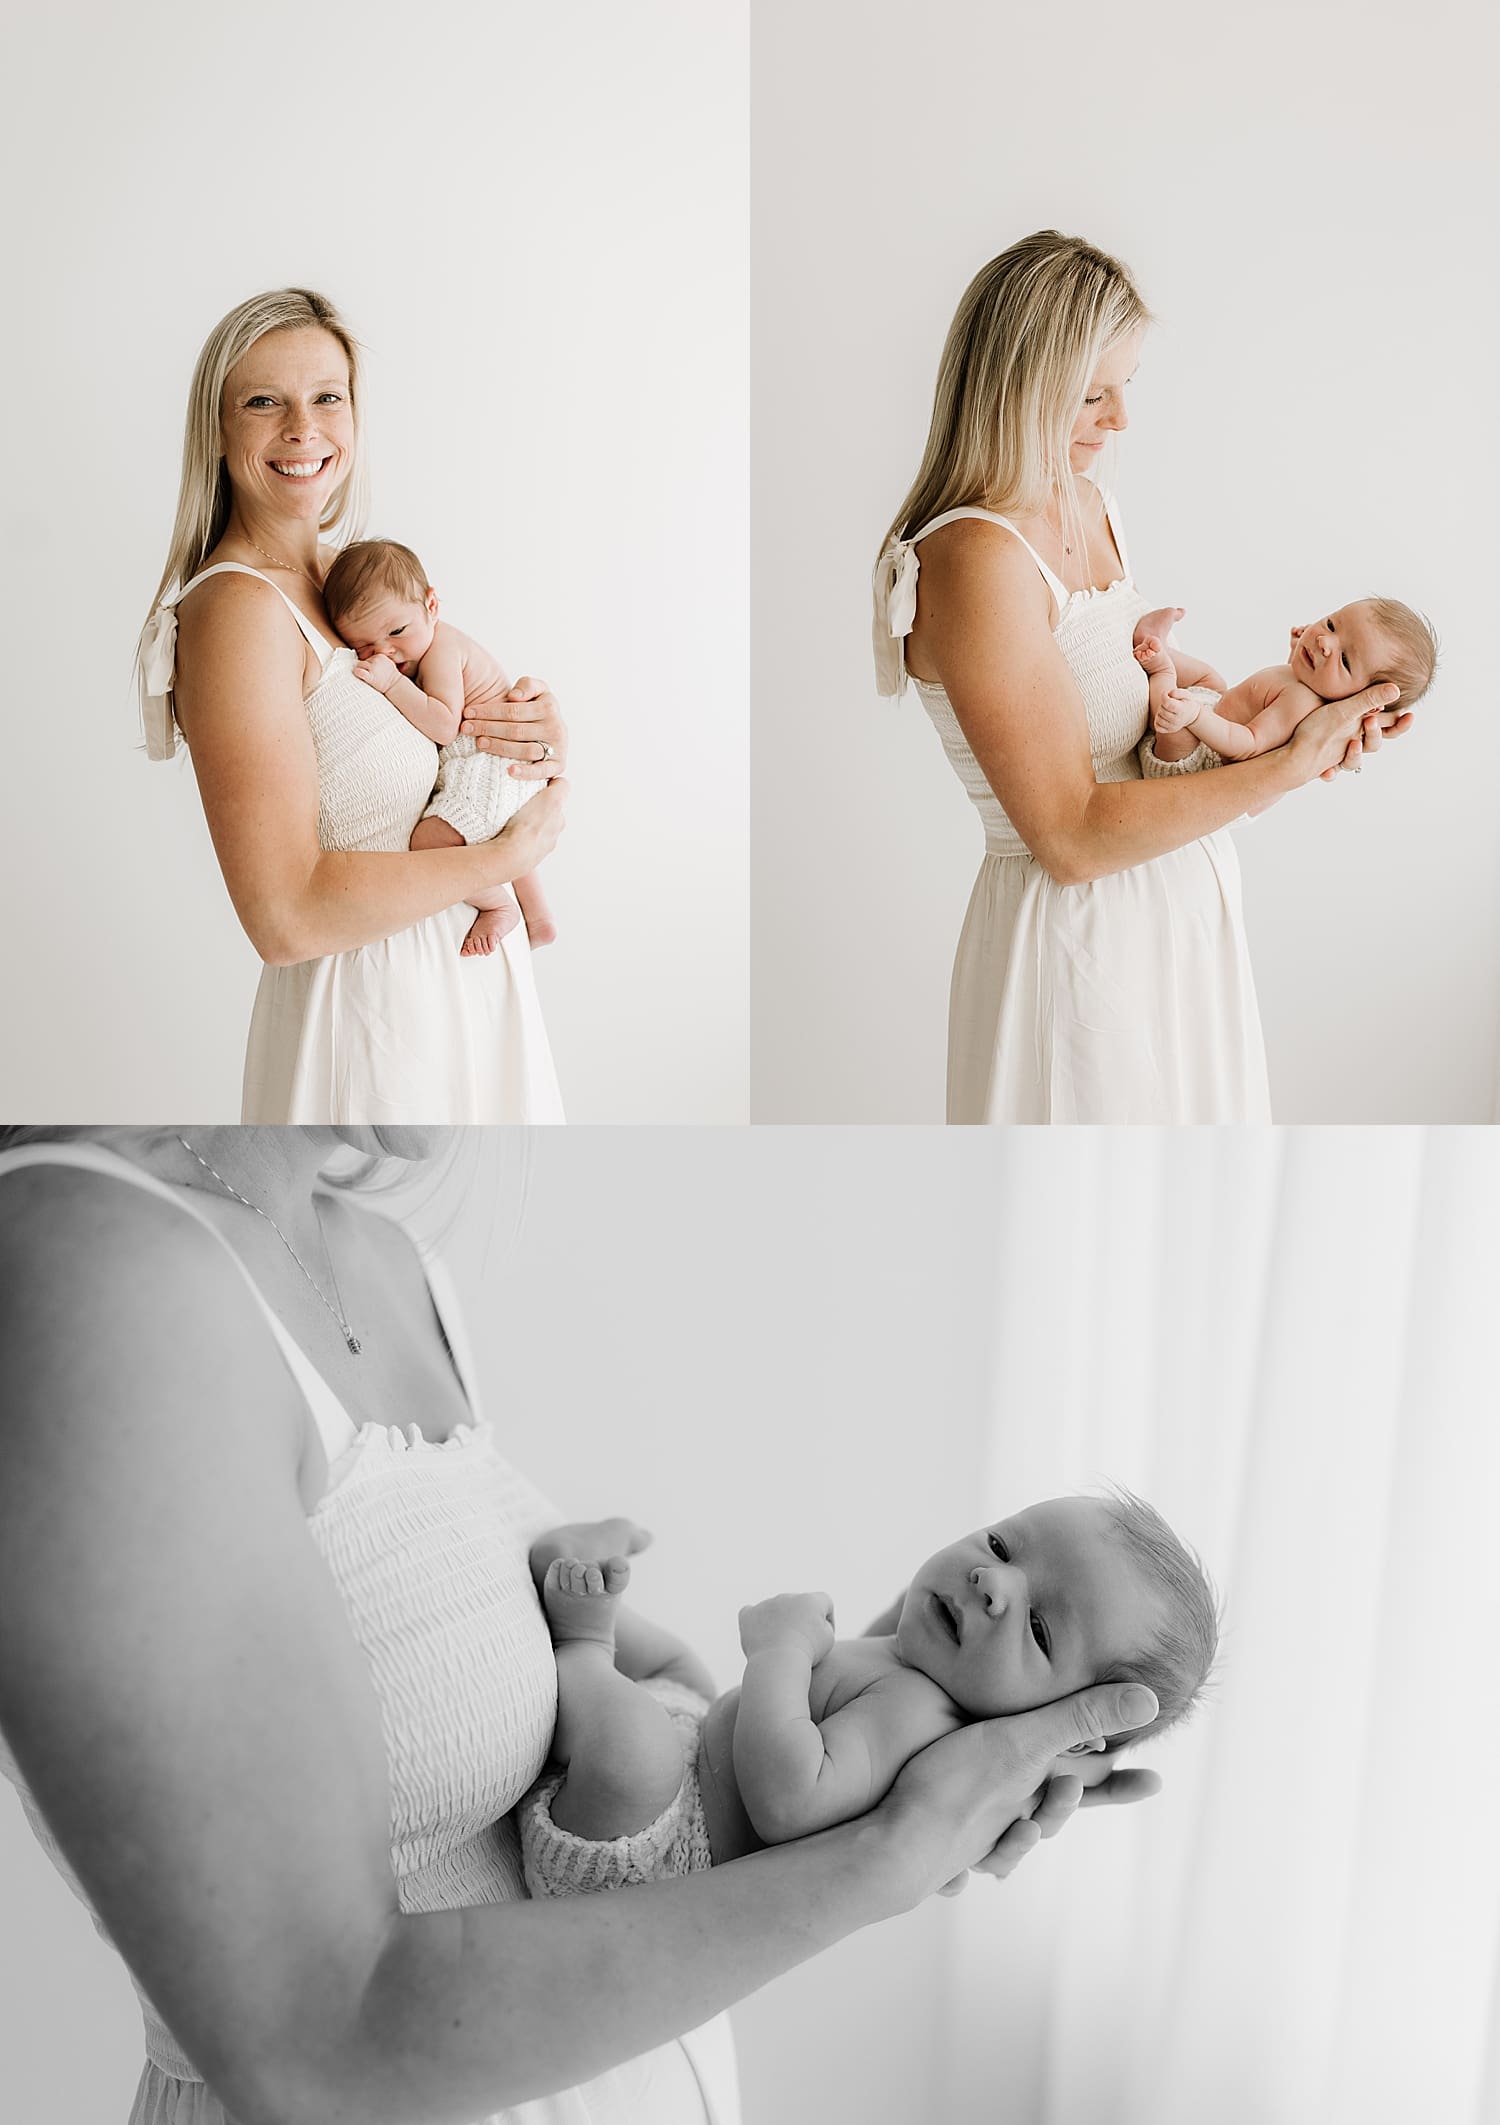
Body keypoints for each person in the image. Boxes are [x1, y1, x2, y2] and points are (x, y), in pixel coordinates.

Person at [0, 1128, 1163, 2125]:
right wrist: (885, 1857)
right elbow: (312, 2042)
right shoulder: (92, 1264)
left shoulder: (390, 1261)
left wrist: (908, 1746)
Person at [872, 230, 1412, 1125]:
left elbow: (1135, 751)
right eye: (1093, 394)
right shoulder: (973, 559)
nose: (1120, 419)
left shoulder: (1089, 504)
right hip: (1078, 951)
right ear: (1018, 387)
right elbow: (1071, 837)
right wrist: (1283, 765)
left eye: (1127, 386)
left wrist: (1306, 721)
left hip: (1181, 925)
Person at [136, 288, 568, 1123]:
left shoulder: (350, 582)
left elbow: (458, 722)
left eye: (327, 397)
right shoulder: (238, 611)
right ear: (216, 430)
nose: (304, 428)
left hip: (460, 992)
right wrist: (505, 857)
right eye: (264, 402)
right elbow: (284, 918)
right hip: (372, 1026)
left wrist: (535, 733)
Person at [519, 1492, 1211, 1896]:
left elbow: (790, 1797)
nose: (992, 1582)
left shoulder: (921, 1718)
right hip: (694, 1740)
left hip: (649, 1854)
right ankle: (580, 1575)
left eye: (1038, 1627)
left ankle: (582, 1640)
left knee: (636, 1749)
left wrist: (781, 1651)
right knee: (684, 1671)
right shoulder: (920, 1667)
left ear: (1066, 1724)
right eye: (1002, 1546)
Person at [323, 537, 558, 960]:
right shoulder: (420, 645)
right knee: (507, 833)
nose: (386, 652)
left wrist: (391, 684)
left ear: (431, 605)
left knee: (430, 843)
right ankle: (539, 917)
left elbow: (445, 725)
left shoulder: (441, 649)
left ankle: (499, 905)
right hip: (495, 764)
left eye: (397, 632)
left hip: (491, 762)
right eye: (365, 647)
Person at [1134, 598, 1437, 762]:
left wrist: (1196, 717)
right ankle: (1160, 645)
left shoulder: (1302, 704)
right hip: (1212, 711)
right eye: (1332, 625)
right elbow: (1280, 686)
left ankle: (1160, 667)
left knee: (1175, 713)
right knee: (1211, 679)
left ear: (1362, 700)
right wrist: (1294, 652)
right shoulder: (1306, 685)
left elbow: (1248, 743)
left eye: (1345, 660)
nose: (1324, 642)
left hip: (1195, 755)